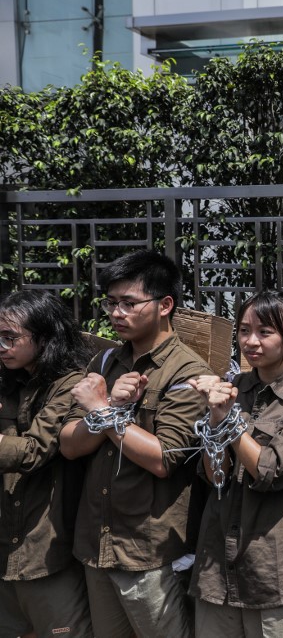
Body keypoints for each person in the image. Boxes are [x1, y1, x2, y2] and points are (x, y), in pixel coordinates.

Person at [59, 249, 212, 638]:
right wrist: (111, 404)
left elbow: (164, 458)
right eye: (111, 303)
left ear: (165, 305)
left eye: (129, 303)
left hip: (149, 551)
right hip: (96, 541)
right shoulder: (105, 363)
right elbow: (70, 445)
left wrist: (104, 413)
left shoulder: (188, 373)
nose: (116, 313)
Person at [187, 290, 283, 637]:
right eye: (244, 330)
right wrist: (214, 415)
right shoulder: (230, 388)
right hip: (217, 568)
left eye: (265, 332)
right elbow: (214, 476)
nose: (251, 341)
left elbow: (269, 470)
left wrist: (227, 421)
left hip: (277, 570)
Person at [0, 290, 94, 638]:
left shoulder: (72, 383)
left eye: (10, 338)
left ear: (44, 337)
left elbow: (35, 450)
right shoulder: (10, 379)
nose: (2, 346)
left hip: (47, 548)